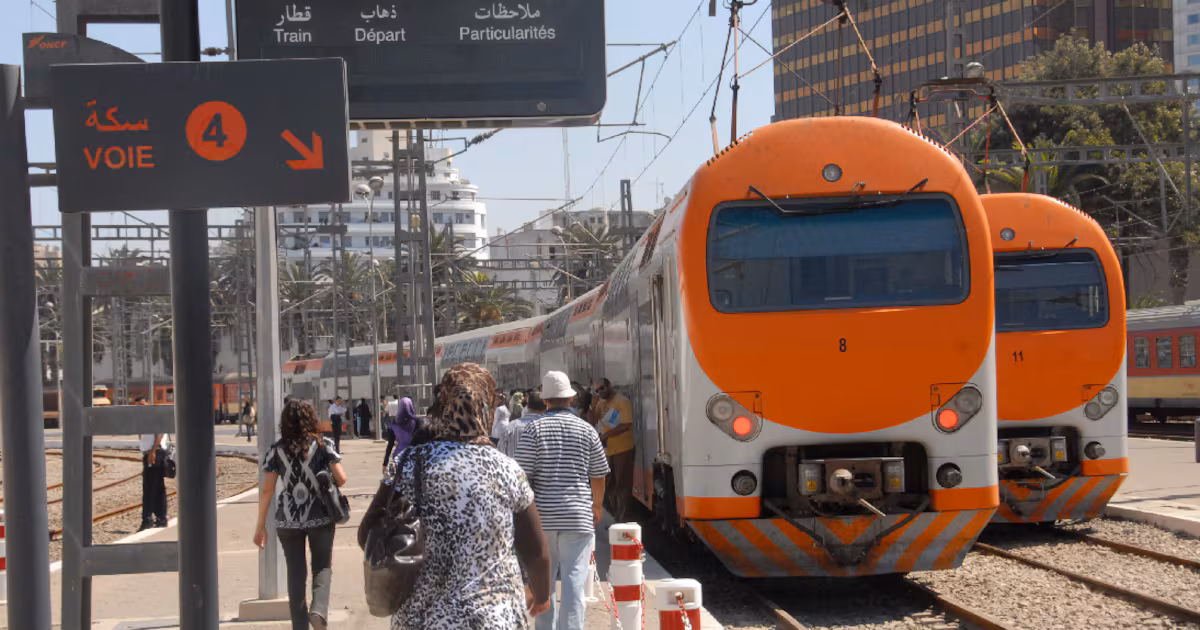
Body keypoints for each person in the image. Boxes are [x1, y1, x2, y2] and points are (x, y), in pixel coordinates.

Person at [358, 363, 552, 629]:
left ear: (443, 405)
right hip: (494, 619)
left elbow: (367, 533)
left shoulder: (409, 462)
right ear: (487, 408)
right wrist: (541, 595)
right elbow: (536, 551)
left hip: (422, 621)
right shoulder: (507, 469)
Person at [515, 371, 609, 630]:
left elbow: (521, 476)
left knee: (543, 585)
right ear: (570, 399)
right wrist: (597, 506)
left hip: (543, 519)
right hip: (578, 518)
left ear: (545, 401)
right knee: (574, 583)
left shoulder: (534, 429)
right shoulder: (586, 429)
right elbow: (599, 474)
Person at [254, 399, 347, 630]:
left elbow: (267, 490)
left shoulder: (276, 450)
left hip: (287, 520)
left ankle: (299, 626)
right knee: (321, 566)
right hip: (320, 516)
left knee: (295, 573)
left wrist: (260, 526)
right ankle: (318, 611)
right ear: (310, 419)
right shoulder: (323, 444)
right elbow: (342, 478)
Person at [593, 378, 636, 523]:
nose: (600, 392)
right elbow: (592, 421)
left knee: (622, 484)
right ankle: (615, 516)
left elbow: (626, 425)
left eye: (602, 388)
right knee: (610, 484)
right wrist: (592, 405)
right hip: (608, 450)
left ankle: (622, 518)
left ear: (609, 386)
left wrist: (606, 435)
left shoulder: (622, 401)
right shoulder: (601, 403)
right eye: (597, 390)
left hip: (623, 449)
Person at [136, 396, 168, 531]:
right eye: (138, 406)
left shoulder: (153, 416)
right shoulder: (142, 419)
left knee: (149, 488)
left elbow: (160, 433)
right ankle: (161, 518)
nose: (140, 408)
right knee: (158, 487)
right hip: (150, 453)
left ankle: (147, 519)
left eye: (142, 404)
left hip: (154, 453)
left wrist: (153, 451)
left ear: (148, 403)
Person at [498, 392, 545, 459]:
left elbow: (501, 450)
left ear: (527, 406)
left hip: (512, 464)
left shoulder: (512, 426)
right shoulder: (547, 427)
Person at [382, 396, 421, 471]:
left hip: (398, 456)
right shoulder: (417, 422)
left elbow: (390, 445)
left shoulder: (394, 424)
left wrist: (385, 463)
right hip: (413, 456)